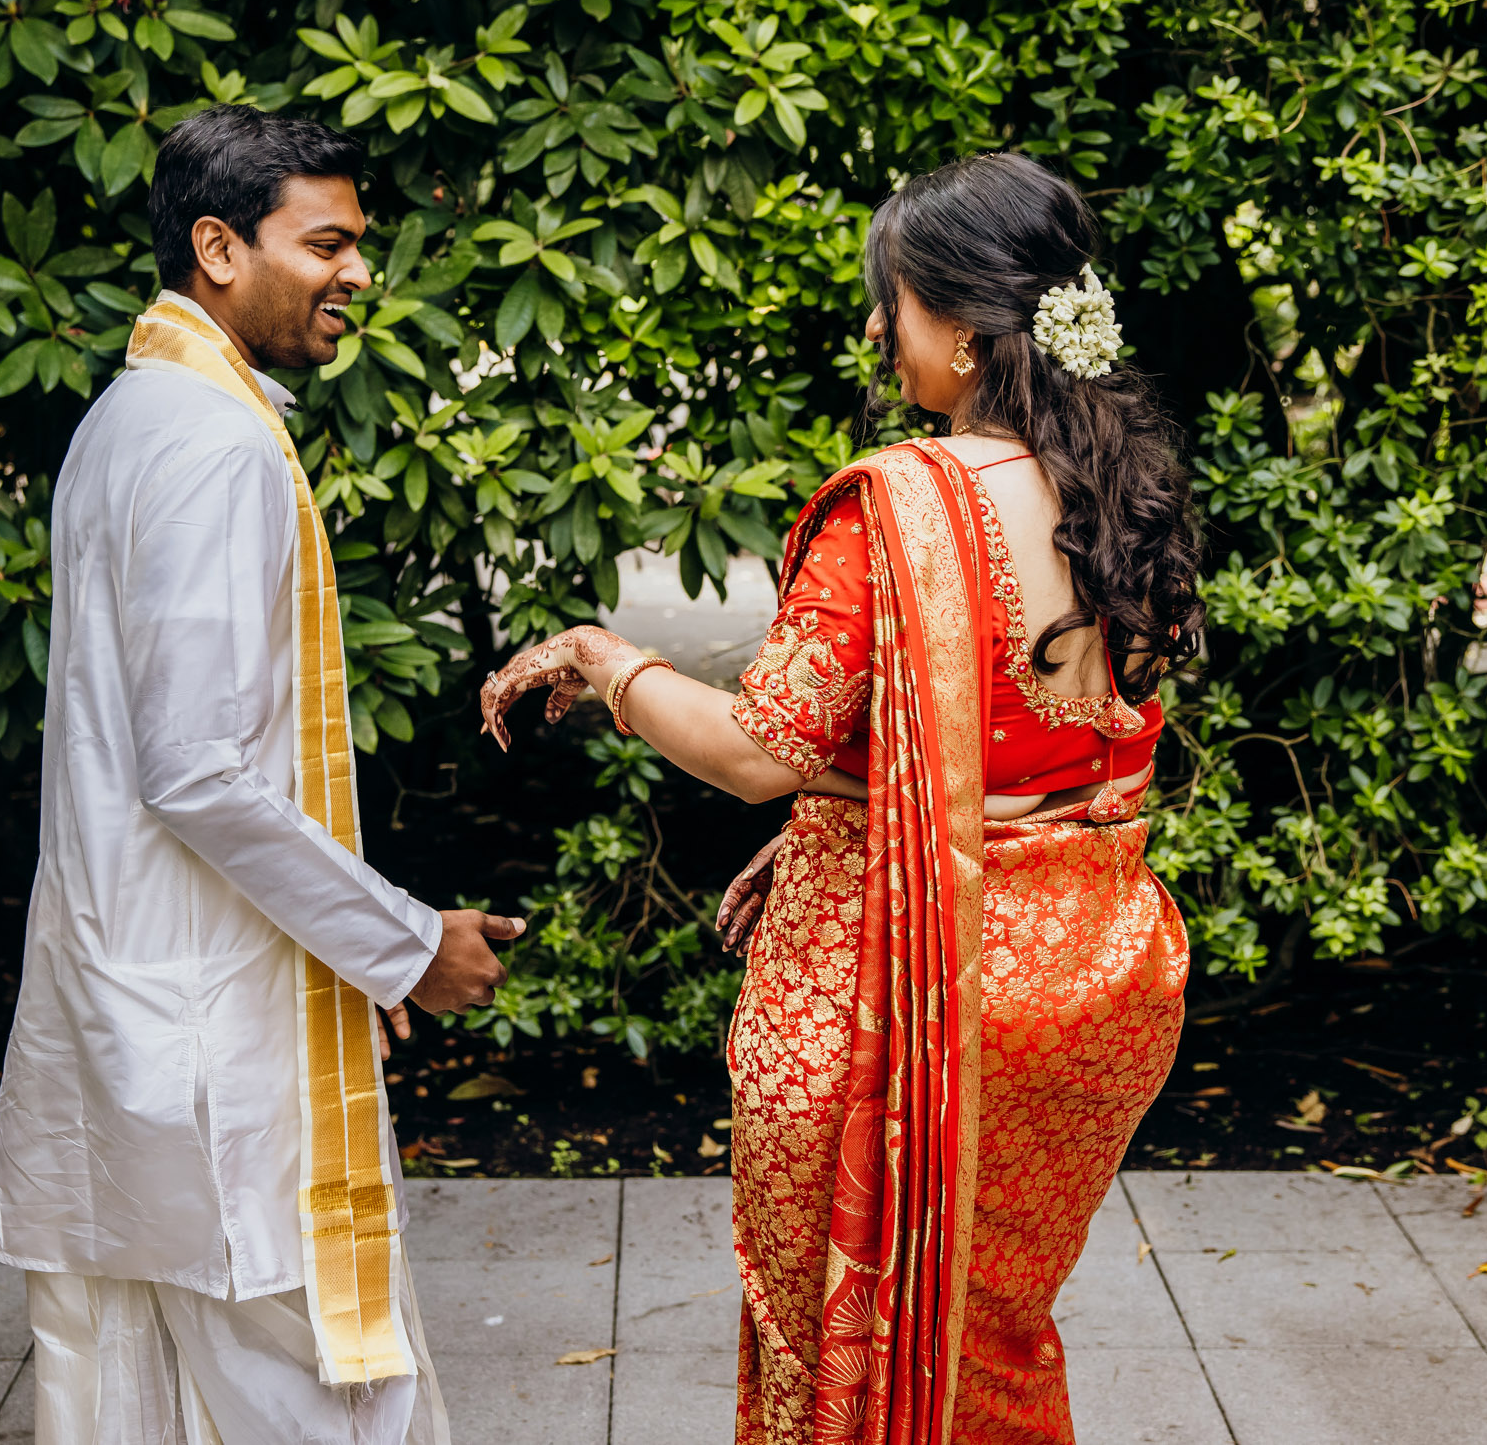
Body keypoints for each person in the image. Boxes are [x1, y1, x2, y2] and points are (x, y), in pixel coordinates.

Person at [479, 152, 1202, 1443]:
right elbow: (1040, 760)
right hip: (1094, 980)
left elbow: (759, 747)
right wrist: (854, 814)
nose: (878, 330)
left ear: (970, 329)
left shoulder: (902, 506)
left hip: (917, 988)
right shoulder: (1125, 490)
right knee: (993, 1329)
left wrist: (609, 660)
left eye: (894, 303)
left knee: (844, 1335)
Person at [0, 105, 524, 1445]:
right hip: (208, 1038)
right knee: (334, 1401)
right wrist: (402, 946)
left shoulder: (132, 416)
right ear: (220, 248)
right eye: (327, 242)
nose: (356, 273)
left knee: (148, 1401)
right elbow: (198, 773)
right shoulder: (215, 442)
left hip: (139, 998)